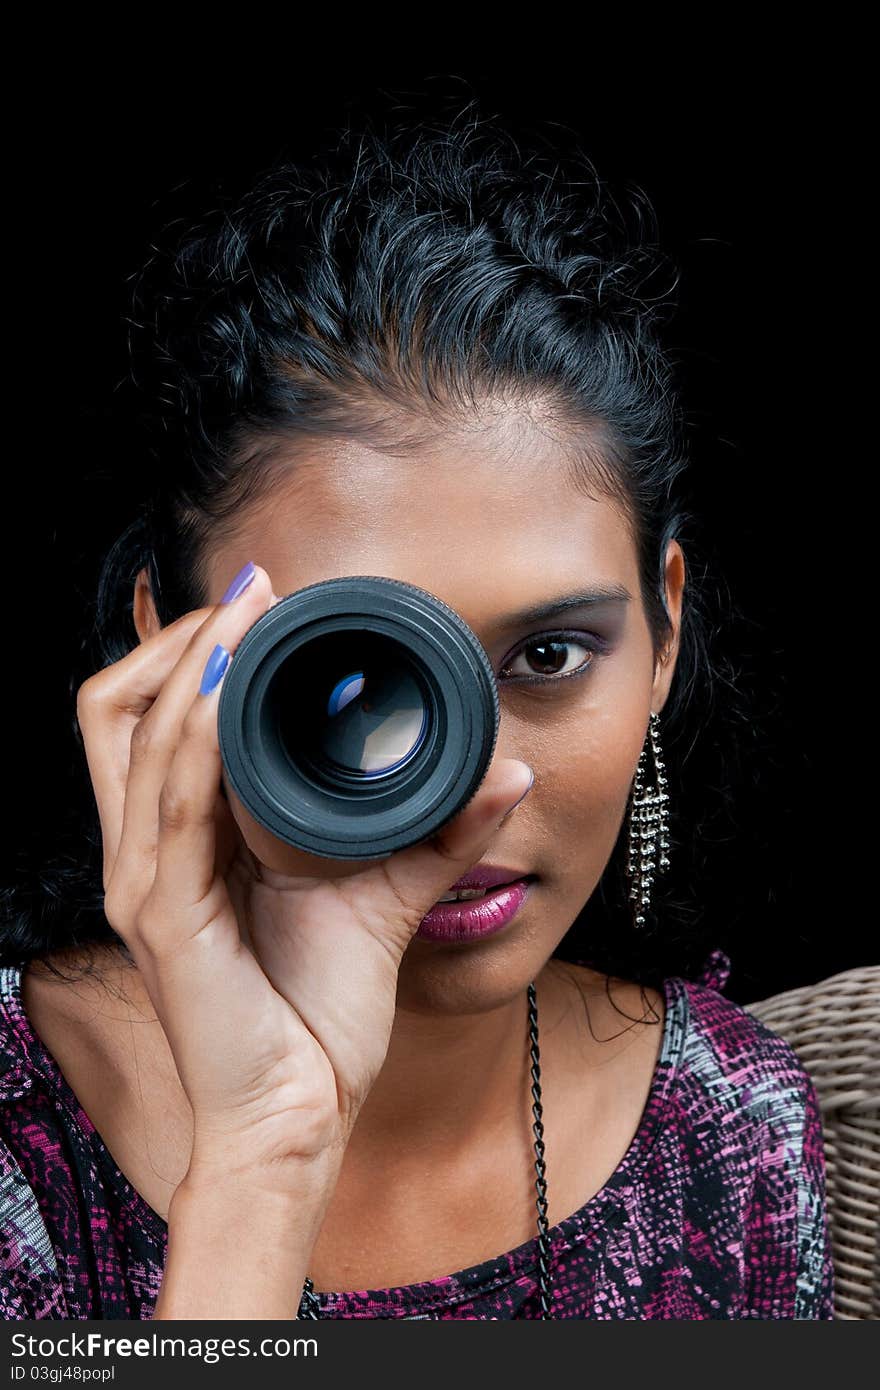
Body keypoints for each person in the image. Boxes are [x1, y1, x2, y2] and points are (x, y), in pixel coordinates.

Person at [0, 98, 834, 1320]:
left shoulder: (738, 1134)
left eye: (548, 653)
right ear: (169, 651)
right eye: (355, 670)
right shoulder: (23, 1142)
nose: (470, 783)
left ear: (663, 633)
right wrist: (261, 1161)